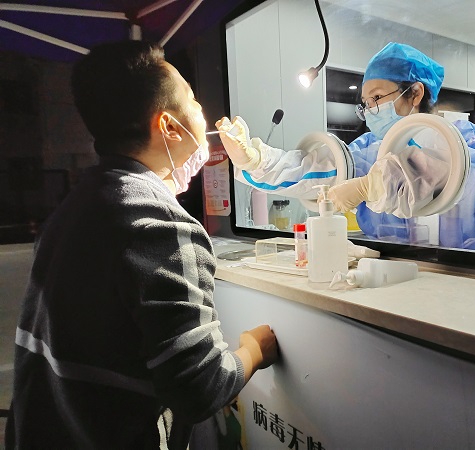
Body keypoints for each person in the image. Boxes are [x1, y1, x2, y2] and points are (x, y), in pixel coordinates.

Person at [6, 41, 278, 449]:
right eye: (192, 99)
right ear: (169, 126)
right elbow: (201, 389)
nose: (202, 112)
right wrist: (254, 350)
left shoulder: (75, 206)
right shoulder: (160, 225)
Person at [217, 42, 475, 249]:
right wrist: (257, 160)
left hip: (462, 271)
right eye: (365, 103)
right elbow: (317, 170)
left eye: (377, 98)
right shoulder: (371, 149)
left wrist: (371, 186)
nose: (369, 111)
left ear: (415, 93)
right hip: (389, 273)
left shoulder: (464, 140)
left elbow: (460, 173)